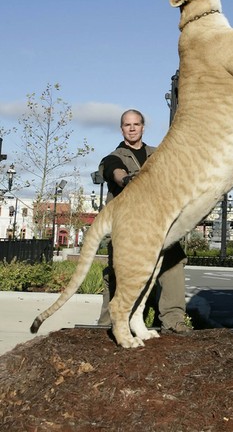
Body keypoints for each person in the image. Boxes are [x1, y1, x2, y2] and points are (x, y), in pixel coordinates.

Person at [97, 109, 191, 335]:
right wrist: (127, 178)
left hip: (158, 226)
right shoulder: (114, 156)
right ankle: (107, 323)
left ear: (142, 127)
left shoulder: (157, 154)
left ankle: (174, 318)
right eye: (127, 125)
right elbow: (114, 171)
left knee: (173, 261)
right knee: (118, 273)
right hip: (128, 229)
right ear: (122, 129)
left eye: (136, 124)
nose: (131, 128)